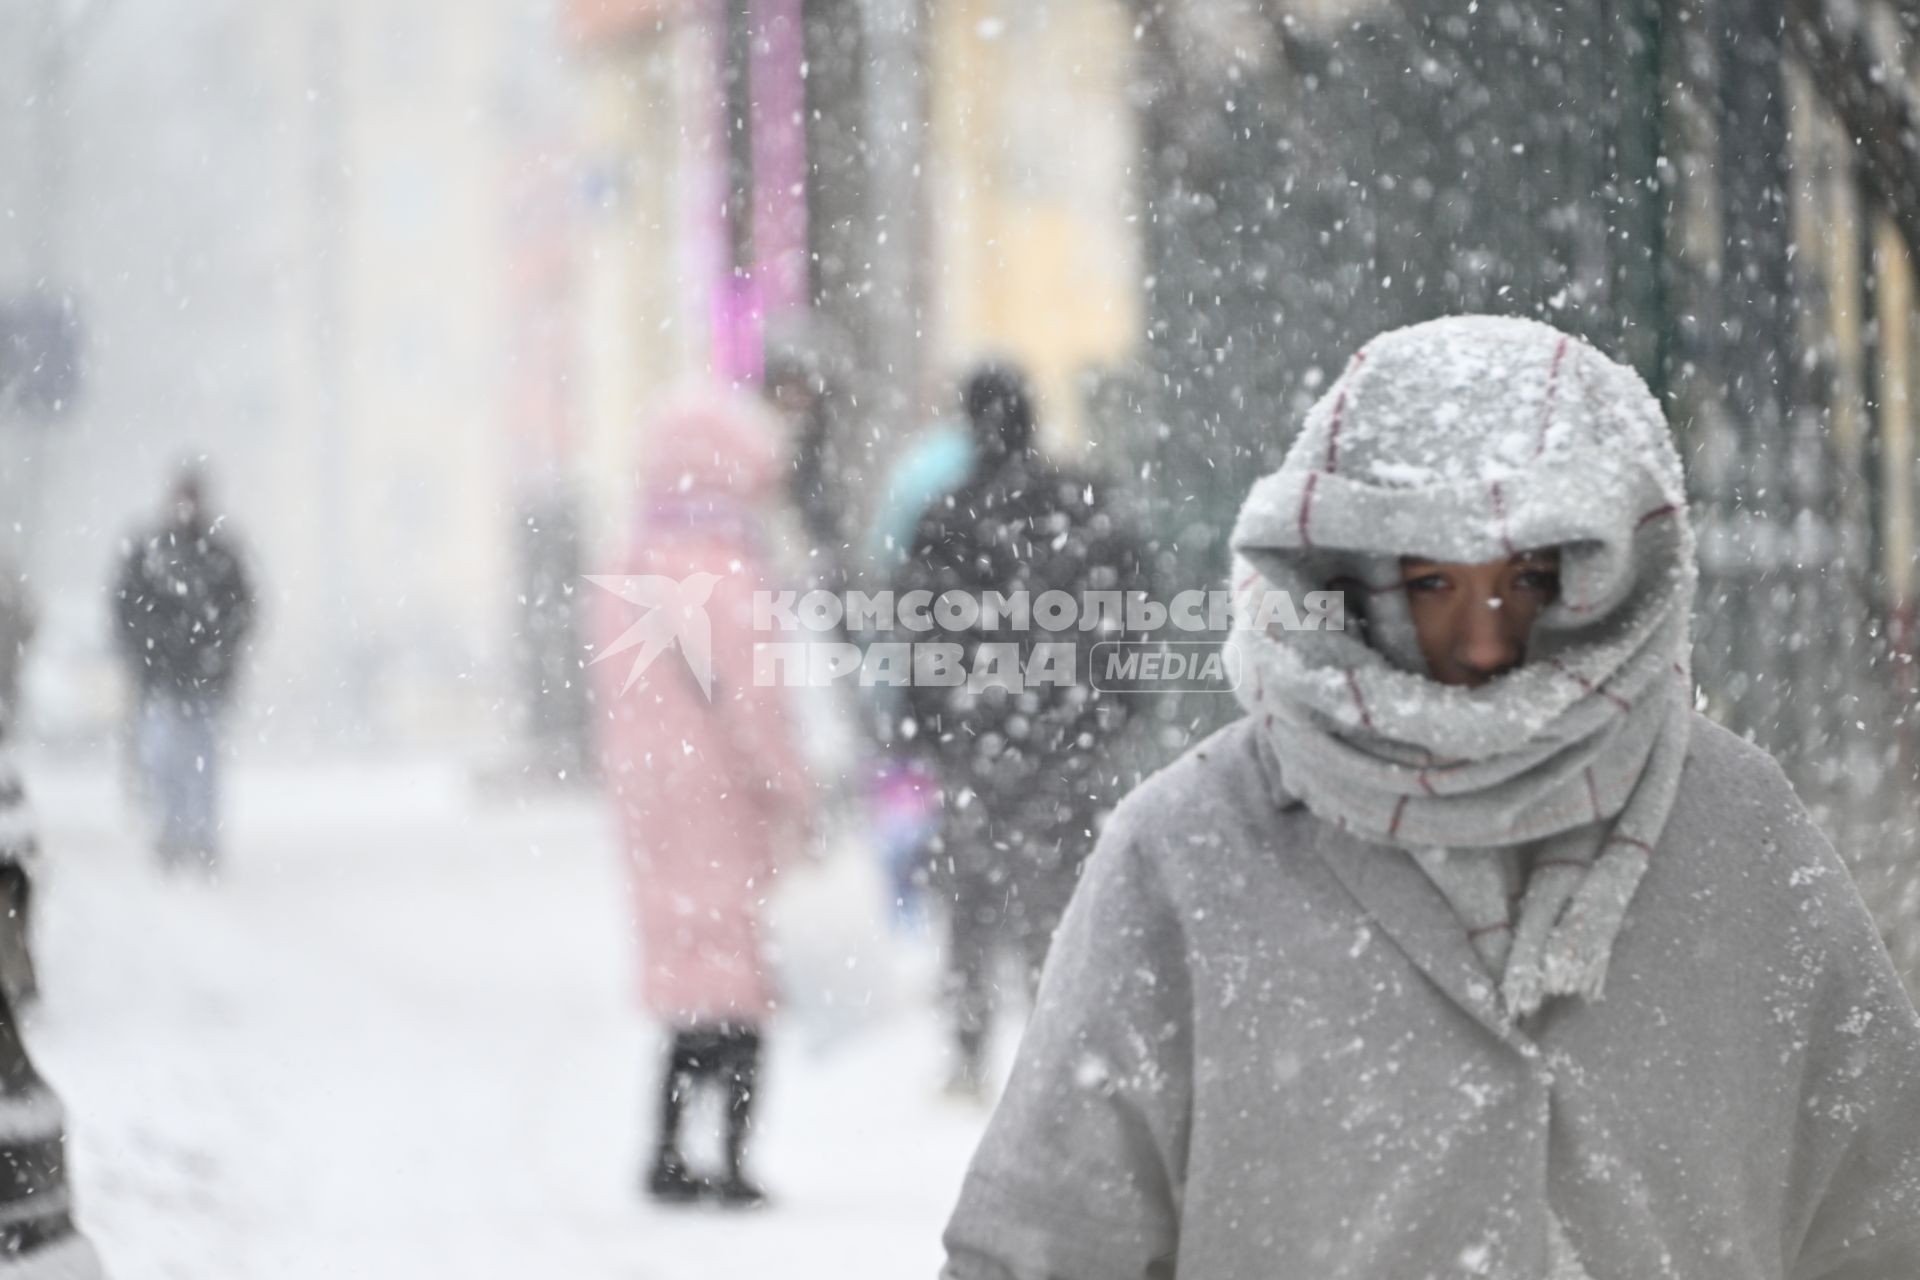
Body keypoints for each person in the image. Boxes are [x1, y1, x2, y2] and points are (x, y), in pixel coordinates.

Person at [941, 316, 1920, 1278]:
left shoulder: (1736, 835)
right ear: (1347, 573)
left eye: (1529, 577)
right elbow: (1046, 1243)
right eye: (1434, 580)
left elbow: (1882, 1219)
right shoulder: (1192, 850)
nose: (1486, 639)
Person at [900, 362, 1148, 1099]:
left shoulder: (944, 516)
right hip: (1065, 732)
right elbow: (1130, 612)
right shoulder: (1086, 500)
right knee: (1062, 899)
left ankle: (969, 1047)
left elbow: (916, 631)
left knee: (972, 898)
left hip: (980, 735)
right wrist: (1110, 707)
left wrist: (931, 725)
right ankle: (1058, 1042)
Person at [593, 388, 814, 1209]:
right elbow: (757, 708)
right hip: (724, 799)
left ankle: (665, 1151)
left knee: (689, 983)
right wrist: (795, 791)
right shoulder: (733, 572)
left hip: (650, 800)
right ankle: (730, 1159)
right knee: (740, 986)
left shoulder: (628, 565)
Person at [111, 465, 256, 873]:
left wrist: (218, 651)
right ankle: (172, 833)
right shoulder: (150, 550)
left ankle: (202, 838)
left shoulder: (220, 554)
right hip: (160, 679)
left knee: (202, 760)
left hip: (205, 680)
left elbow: (242, 610)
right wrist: (147, 651)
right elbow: (126, 609)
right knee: (163, 758)